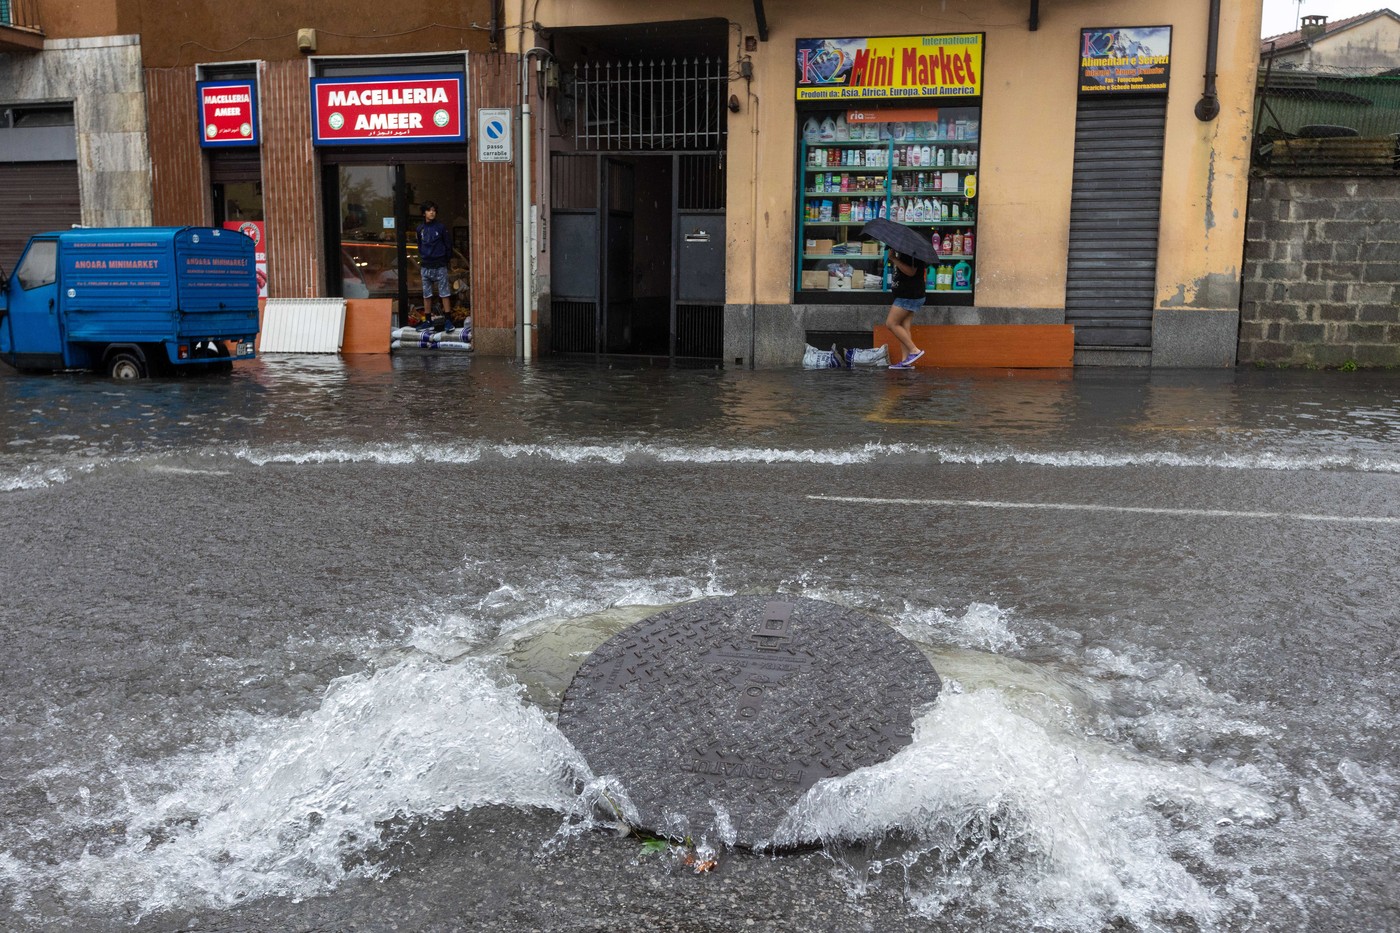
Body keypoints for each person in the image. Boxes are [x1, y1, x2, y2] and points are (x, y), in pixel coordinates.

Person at [885, 251, 929, 369]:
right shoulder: (907, 253)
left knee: (891, 323)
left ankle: (914, 350)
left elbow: (911, 272)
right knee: (904, 326)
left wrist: (894, 259)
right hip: (908, 295)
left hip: (908, 296)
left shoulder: (912, 254)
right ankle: (905, 361)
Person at [415, 201, 453, 330]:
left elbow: (448, 245)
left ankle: (448, 320)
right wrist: (424, 257)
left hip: (440, 265)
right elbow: (420, 245)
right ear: (424, 213)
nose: (432, 212)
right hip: (426, 266)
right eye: (429, 210)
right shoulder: (420, 229)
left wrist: (445, 260)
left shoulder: (441, 228)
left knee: (444, 293)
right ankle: (428, 320)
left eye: (434, 210)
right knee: (426, 294)